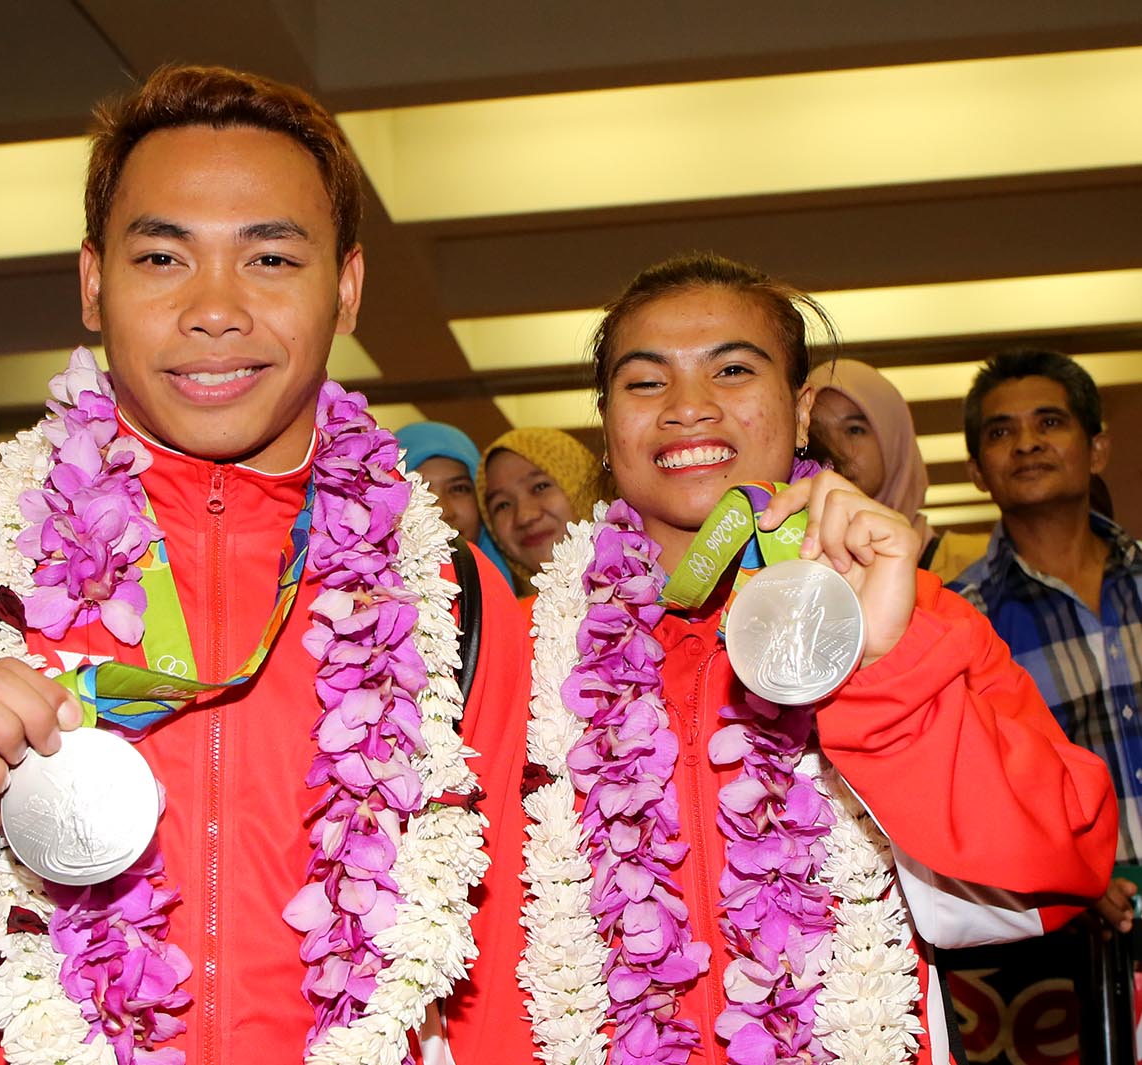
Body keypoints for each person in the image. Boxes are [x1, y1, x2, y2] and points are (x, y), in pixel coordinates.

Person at [0, 64, 531, 1064]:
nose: (215, 310)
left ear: (347, 287)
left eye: (271, 259)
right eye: (162, 258)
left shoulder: (453, 596)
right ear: (95, 284)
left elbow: (505, 974)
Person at [474, 253, 1117, 1065]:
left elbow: (1052, 873)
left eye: (733, 368)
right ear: (607, 423)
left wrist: (878, 663)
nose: (688, 408)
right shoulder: (522, 647)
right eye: (645, 383)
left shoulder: (911, 617)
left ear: (802, 406)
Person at [951, 350, 1140, 925]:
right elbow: (985, 794)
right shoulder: (963, 620)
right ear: (978, 471)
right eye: (1002, 431)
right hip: (1072, 948)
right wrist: (1076, 874)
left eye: (1050, 422)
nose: (1027, 443)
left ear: (1097, 449)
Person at [807, 359, 988, 583]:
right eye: (816, 433)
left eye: (855, 430)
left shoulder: (978, 568)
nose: (835, 449)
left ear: (894, 442)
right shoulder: (784, 563)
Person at [477, 426, 604, 596]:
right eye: (502, 505)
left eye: (540, 487)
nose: (524, 517)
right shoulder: (502, 620)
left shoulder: (644, 591)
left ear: (583, 485)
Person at [394, 420, 516, 591]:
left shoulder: (521, 601)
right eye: (421, 489)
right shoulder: (361, 605)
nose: (443, 511)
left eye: (459, 489)